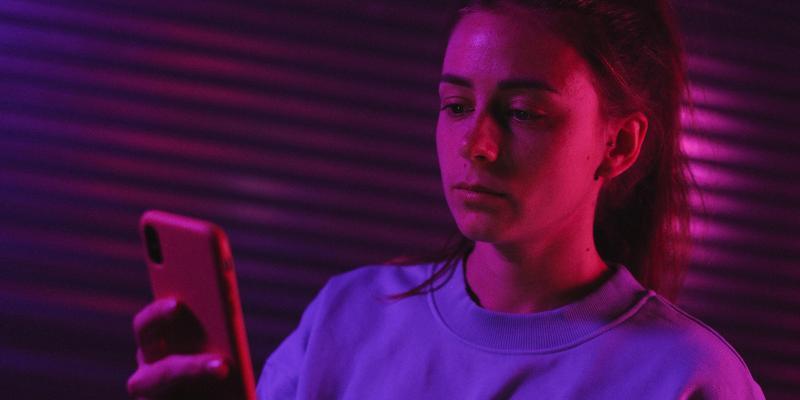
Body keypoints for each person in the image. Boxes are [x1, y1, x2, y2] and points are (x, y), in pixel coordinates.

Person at [127, 0, 766, 398]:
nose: (476, 145)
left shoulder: (687, 377)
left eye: (524, 113)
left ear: (618, 144)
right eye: (456, 106)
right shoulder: (348, 319)